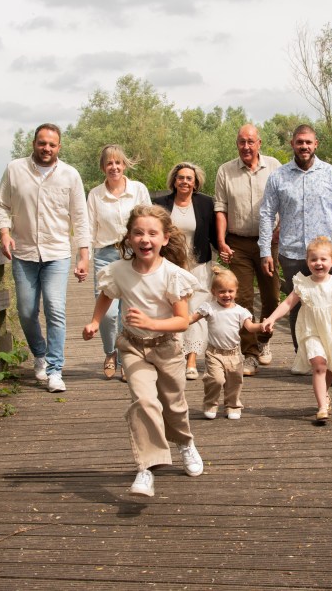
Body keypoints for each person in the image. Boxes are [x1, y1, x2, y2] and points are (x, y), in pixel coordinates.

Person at [82, 205, 204, 497]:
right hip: (133, 347)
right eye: (138, 233)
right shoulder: (118, 271)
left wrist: (151, 323)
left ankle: (185, 443)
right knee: (144, 401)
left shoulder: (173, 275)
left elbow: (182, 321)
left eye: (152, 233)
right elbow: (107, 294)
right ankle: (146, 468)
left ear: (165, 238)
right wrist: (95, 321)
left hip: (167, 348)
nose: (144, 239)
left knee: (174, 405)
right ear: (128, 238)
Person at [0, 123, 90, 393]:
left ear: (59, 147)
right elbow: (1, 204)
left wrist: (83, 255)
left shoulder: (70, 175)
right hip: (23, 252)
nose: (46, 148)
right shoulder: (15, 169)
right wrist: (4, 232)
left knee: (55, 309)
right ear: (34, 143)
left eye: (52, 144)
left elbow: (80, 217)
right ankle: (40, 354)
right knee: (26, 312)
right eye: (42, 143)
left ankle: (55, 370)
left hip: (57, 252)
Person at [258, 124, 332, 359]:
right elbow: (266, 214)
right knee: (296, 303)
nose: (304, 146)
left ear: (316, 144)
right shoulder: (278, 176)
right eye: (300, 142)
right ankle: (303, 356)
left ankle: (330, 357)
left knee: (328, 303)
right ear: (292, 144)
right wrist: (265, 251)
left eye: (308, 142)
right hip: (292, 252)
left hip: (325, 254)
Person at [262, 237, 332, 424]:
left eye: (323, 259)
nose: (318, 263)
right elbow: (288, 304)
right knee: (319, 365)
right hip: (311, 331)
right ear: (307, 262)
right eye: (313, 259)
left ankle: (324, 393)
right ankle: (322, 406)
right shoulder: (303, 284)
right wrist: (272, 318)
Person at [214, 123, 282, 377]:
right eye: (241, 142)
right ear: (237, 144)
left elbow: (285, 202)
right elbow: (220, 208)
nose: (246, 146)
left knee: (271, 296)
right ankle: (250, 353)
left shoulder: (274, 167)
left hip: (268, 243)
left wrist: (281, 229)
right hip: (238, 243)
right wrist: (221, 241)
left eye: (250, 141)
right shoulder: (225, 171)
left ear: (259, 143)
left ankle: (264, 340)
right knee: (241, 298)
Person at [87, 144, 151, 381]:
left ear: (124, 165)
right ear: (102, 167)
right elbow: (88, 228)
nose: (114, 167)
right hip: (105, 254)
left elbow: (149, 219)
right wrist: (84, 258)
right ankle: (109, 352)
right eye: (109, 163)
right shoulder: (95, 194)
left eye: (117, 162)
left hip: (134, 253)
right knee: (108, 313)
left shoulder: (138, 189)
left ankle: (126, 358)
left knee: (130, 309)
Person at [153, 162, 217, 381]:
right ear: (174, 181)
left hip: (198, 265)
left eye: (189, 178)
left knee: (197, 311)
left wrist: (224, 250)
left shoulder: (205, 203)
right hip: (170, 266)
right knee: (172, 310)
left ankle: (191, 360)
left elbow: (213, 233)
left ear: (195, 183)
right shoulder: (161, 204)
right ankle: (174, 356)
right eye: (181, 177)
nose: (185, 182)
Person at [190, 266, 267, 420]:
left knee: (234, 381)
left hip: (234, 354)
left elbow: (250, 327)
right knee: (215, 380)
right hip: (214, 353)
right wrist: (177, 322)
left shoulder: (240, 311)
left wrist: (261, 326)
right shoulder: (209, 308)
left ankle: (232, 405)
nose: (226, 295)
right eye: (222, 291)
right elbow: (191, 319)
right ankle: (210, 404)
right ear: (213, 292)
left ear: (236, 291)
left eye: (230, 291)